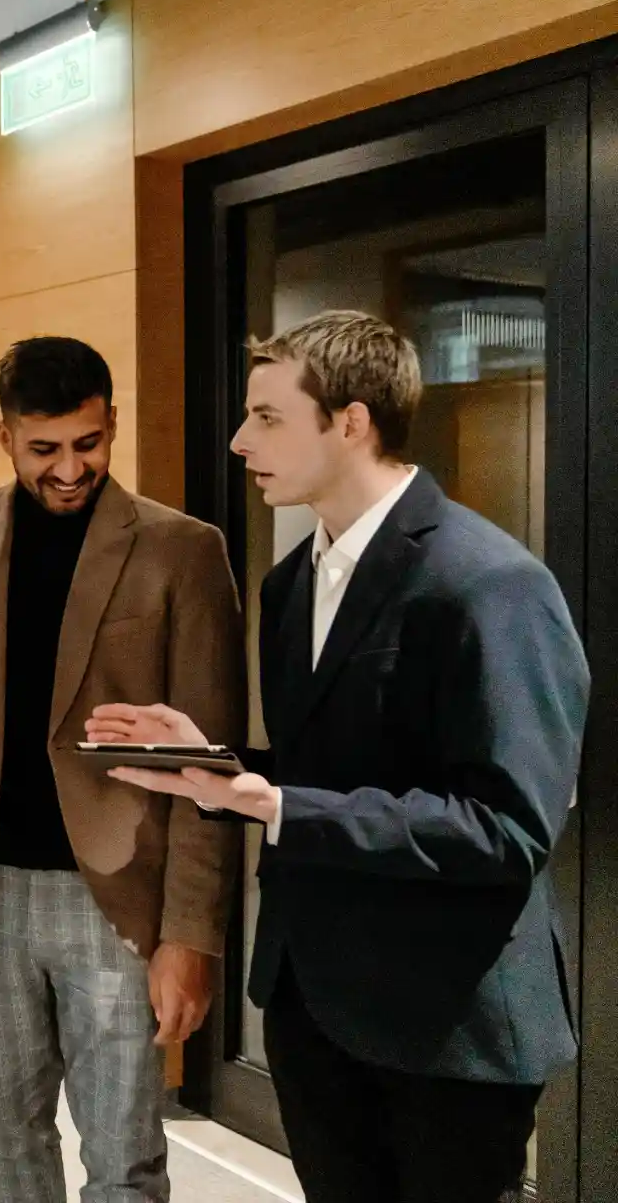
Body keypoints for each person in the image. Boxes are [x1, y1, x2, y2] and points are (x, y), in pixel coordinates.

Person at [91, 311, 587, 1203]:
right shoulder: (290, 585)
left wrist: (275, 805)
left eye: (268, 417)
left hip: (448, 1022)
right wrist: (210, 760)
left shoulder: (490, 583)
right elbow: (331, 765)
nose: (242, 440)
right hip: (317, 1003)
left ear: (351, 422)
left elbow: (508, 828)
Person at [0, 337, 244, 1202]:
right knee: (6, 1125)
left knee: (124, 1152)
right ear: (6, 436)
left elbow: (213, 767)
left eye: (88, 443)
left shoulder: (183, 551)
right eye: (43, 448)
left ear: (112, 423)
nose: (68, 468)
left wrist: (191, 933)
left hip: (120, 897)